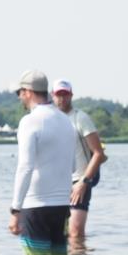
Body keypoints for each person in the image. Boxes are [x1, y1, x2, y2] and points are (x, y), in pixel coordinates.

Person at [8, 70, 77, 255]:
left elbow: (25, 167)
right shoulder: (66, 121)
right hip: (62, 206)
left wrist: (15, 210)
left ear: (28, 91)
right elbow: (72, 166)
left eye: (19, 92)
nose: (19, 97)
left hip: (35, 206)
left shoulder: (29, 121)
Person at [52, 79, 106, 241]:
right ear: (52, 96)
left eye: (65, 94)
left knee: (76, 233)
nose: (62, 98)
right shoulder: (50, 119)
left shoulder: (80, 118)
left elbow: (99, 154)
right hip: (58, 183)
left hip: (80, 181)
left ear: (71, 96)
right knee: (61, 233)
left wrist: (83, 182)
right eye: (58, 95)